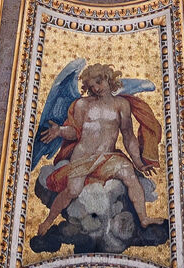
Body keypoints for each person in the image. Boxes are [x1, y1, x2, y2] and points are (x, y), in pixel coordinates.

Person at [26, 61, 160, 252]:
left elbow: (128, 136)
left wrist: (138, 163)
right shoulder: (82, 104)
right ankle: (48, 221)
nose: (96, 88)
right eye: (91, 86)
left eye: (99, 82)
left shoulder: (121, 105)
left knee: (130, 176)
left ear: (108, 79)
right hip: (83, 157)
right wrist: (60, 131)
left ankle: (144, 219)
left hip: (108, 157)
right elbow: (75, 132)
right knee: (73, 190)